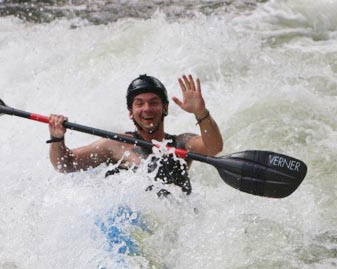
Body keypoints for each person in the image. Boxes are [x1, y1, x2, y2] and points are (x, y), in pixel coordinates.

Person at [47, 74, 223, 195]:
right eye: (139, 104)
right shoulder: (116, 145)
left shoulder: (181, 143)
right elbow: (65, 164)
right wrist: (57, 138)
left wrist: (201, 113)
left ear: (165, 108)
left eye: (154, 102)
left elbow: (213, 148)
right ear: (131, 112)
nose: (147, 109)